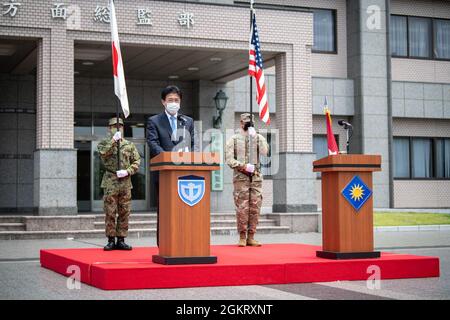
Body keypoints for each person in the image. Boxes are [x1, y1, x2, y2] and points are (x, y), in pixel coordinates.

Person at [146, 85, 195, 246]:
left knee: (184, 208)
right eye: (170, 100)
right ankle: (165, 242)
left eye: (176, 100)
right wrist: (168, 158)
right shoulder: (154, 121)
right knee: (166, 209)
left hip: (184, 172)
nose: (173, 103)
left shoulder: (188, 121)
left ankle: (183, 240)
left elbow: (192, 143)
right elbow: (153, 143)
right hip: (164, 172)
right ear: (163, 102)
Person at [97, 117, 141, 251]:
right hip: (111, 180)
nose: (118, 128)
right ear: (109, 129)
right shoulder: (104, 143)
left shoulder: (129, 145)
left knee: (124, 212)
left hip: (125, 182)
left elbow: (137, 161)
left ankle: (121, 239)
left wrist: (128, 171)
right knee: (110, 212)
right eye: (114, 126)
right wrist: (113, 141)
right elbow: (103, 153)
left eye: (120, 126)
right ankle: (110, 240)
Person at [225, 113, 269, 247]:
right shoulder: (233, 139)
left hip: (255, 178)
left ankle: (251, 236)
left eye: (251, 123)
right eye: (246, 122)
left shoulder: (258, 137)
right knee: (242, 208)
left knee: (255, 207)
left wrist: (255, 136)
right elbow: (229, 159)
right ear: (241, 123)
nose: (248, 124)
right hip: (241, 178)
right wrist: (242, 166)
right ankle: (242, 236)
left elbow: (265, 151)